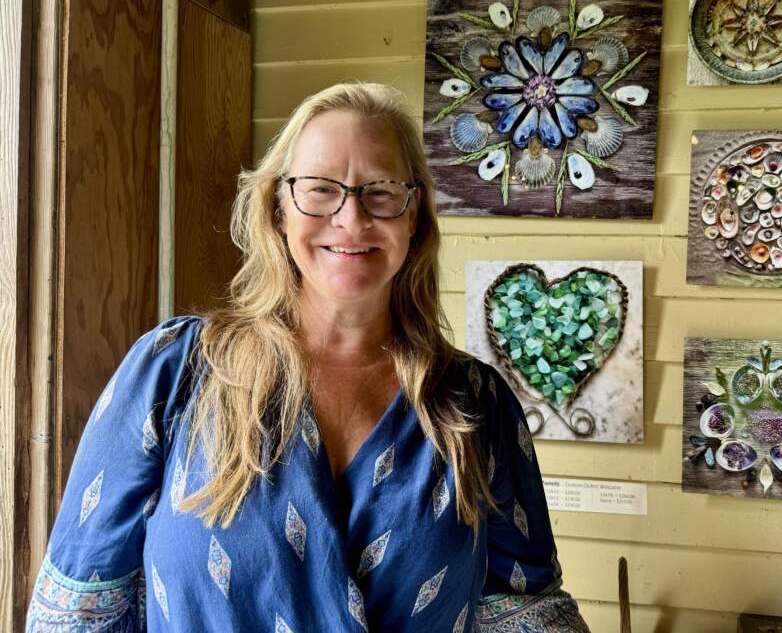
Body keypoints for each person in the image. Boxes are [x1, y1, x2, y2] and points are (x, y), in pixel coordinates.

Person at [27, 83, 591, 632]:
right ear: (279, 211)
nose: (351, 218)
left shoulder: (475, 404)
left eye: (381, 191)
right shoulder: (175, 373)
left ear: (414, 215)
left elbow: (528, 613)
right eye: (320, 189)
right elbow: (77, 612)